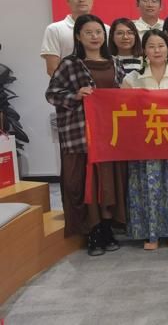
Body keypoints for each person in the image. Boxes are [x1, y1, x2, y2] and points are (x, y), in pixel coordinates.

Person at [46, 14, 126, 256]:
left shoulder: (115, 62)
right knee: (84, 183)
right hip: (81, 136)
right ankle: (92, 232)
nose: (95, 37)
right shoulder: (70, 64)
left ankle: (107, 228)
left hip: (110, 135)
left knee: (108, 183)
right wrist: (75, 96)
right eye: (89, 32)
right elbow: (52, 94)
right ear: (78, 36)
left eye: (98, 32)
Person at [122, 30, 168, 250]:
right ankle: (149, 233)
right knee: (147, 187)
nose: (156, 50)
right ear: (144, 50)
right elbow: (123, 112)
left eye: (161, 46)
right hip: (145, 144)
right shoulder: (132, 79)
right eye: (151, 46)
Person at [41, 0, 107, 76]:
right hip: (69, 84)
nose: (81, 0)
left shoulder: (106, 29)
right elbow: (52, 68)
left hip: (103, 83)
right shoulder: (54, 29)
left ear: (92, 0)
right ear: (68, 0)